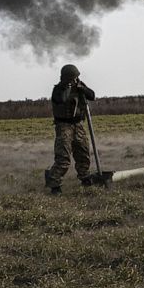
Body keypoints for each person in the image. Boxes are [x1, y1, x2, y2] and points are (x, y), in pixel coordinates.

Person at [44, 64, 96, 194]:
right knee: (63, 157)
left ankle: (84, 176)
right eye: (73, 78)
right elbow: (62, 99)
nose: (75, 80)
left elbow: (92, 95)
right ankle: (54, 183)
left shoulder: (79, 86)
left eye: (76, 78)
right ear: (66, 78)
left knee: (83, 152)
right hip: (64, 126)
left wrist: (82, 88)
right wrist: (68, 87)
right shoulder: (58, 89)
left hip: (78, 124)